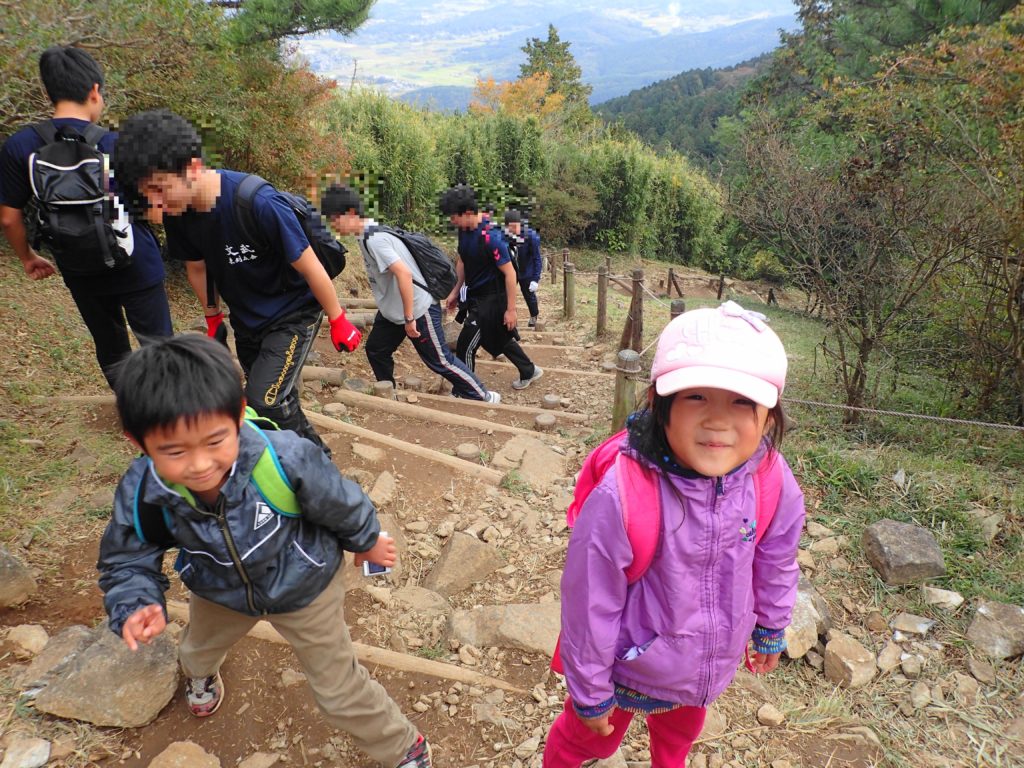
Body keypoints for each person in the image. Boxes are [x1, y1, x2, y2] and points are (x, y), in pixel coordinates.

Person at [96, 335, 432, 768]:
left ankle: (401, 745)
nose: (199, 465)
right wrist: (136, 601)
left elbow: (340, 501)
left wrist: (366, 541)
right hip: (220, 591)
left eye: (215, 441)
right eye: (175, 451)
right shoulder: (145, 491)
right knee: (196, 650)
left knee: (338, 688)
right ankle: (201, 676)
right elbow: (126, 556)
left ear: (238, 415)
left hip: (306, 585)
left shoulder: (284, 457)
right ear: (138, 443)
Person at [545, 301, 805, 768]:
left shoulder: (768, 476)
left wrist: (771, 624)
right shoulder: (625, 492)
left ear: (769, 416)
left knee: (681, 733)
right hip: (629, 663)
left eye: (742, 401)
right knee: (590, 740)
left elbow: (777, 555)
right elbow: (589, 599)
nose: (718, 420)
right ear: (658, 405)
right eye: (696, 397)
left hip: (706, 663)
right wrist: (589, 690)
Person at [110, 109, 361, 453]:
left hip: (293, 313)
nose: (156, 203)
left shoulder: (257, 202)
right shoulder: (179, 213)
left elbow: (310, 265)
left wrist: (338, 318)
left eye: (159, 188)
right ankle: (290, 458)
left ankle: (318, 464)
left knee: (262, 400)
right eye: (147, 193)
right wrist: (213, 316)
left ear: (193, 168)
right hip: (247, 318)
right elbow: (197, 268)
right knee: (276, 397)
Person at [0, 46, 172, 388]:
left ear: (49, 93)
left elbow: (8, 218)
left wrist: (27, 257)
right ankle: (171, 419)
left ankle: (132, 412)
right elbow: (154, 210)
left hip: (78, 264)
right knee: (160, 349)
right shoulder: (119, 143)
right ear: (95, 91)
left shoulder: (21, 146)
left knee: (110, 347)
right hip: (135, 262)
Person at [321, 184, 501, 403]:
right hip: (393, 310)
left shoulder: (374, 238)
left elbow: (404, 274)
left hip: (417, 308)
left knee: (440, 360)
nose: (333, 225)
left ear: (349, 213)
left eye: (334, 219)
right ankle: (390, 395)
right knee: (377, 349)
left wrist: (409, 318)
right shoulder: (366, 235)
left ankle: (483, 395)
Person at [439, 184, 542, 390]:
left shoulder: (490, 236)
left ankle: (467, 390)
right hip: (476, 295)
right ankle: (529, 370)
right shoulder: (464, 230)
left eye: (453, 217)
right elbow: (462, 261)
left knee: (465, 345)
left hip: (493, 298)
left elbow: (510, 273)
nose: (452, 221)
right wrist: (456, 291)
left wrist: (511, 310)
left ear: (467, 213)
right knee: (497, 338)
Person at [503, 209, 542, 328]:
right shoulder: (506, 236)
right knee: (505, 294)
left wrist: (536, 278)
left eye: (515, 226)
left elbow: (537, 259)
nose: (513, 230)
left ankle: (534, 315)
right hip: (512, 270)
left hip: (527, 270)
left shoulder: (531, 236)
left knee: (529, 295)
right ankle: (507, 318)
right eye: (510, 227)